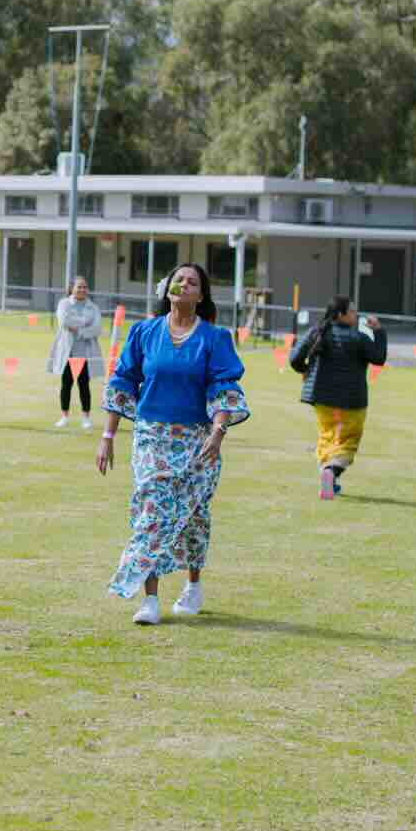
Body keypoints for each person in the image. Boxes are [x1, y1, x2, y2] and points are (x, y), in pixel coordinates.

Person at [97, 263, 250, 625]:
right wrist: (107, 436)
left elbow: (224, 386)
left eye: (192, 281)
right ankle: (148, 600)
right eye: (178, 278)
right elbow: (123, 382)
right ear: (166, 288)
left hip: (198, 439)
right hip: (151, 436)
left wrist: (218, 432)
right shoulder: (144, 332)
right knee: (152, 510)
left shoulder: (214, 339)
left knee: (193, 517)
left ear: (201, 295)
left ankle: (193, 586)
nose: (183, 284)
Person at [289, 294, 387, 499]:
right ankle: (331, 472)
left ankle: (329, 480)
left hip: (321, 398)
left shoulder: (317, 332)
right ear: (341, 314)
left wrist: (306, 370)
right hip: (352, 401)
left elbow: (295, 358)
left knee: (327, 436)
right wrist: (378, 330)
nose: (355, 314)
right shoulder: (358, 337)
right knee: (348, 441)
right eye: (351, 310)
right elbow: (378, 358)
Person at [48, 276, 105, 429]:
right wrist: (84, 323)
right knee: (66, 385)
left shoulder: (93, 308)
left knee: (84, 385)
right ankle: (64, 417)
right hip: (68, 352)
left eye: (85, 287)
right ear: (72, 288)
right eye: (79, 287)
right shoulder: (64, 304)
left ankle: (86, 418)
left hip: (85, 353)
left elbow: (97, 328)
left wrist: (79, 330)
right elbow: (65, 322)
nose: (82, 290)